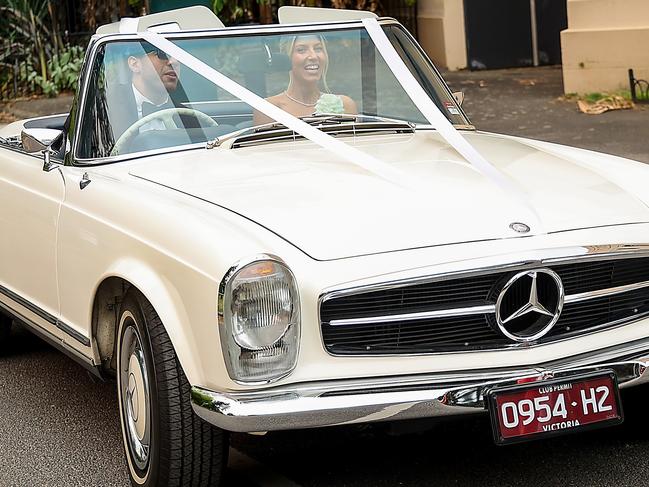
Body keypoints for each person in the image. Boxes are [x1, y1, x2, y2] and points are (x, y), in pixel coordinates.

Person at [253, 35, 357, 125]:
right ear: (286, 57)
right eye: (301, 50)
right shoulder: (268, 109)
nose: (313, 56)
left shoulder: (345, 105)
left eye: (318, 48)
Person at [108, 42, 182, 137]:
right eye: (162, 53)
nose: (174, 61)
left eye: (178, 56)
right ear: (135, 64)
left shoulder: (189, 117)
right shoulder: (106, 108)